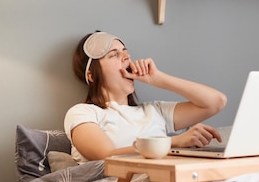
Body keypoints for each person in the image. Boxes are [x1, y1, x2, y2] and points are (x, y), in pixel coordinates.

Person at [64, 31, 227, 163]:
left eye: (126, 52)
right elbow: (105, 155)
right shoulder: (82, 113)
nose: (126, 57)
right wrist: (172, 142)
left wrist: (158, 79)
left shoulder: (155, 111)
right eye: (113, 55)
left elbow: (216, 102)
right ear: (91, 75)